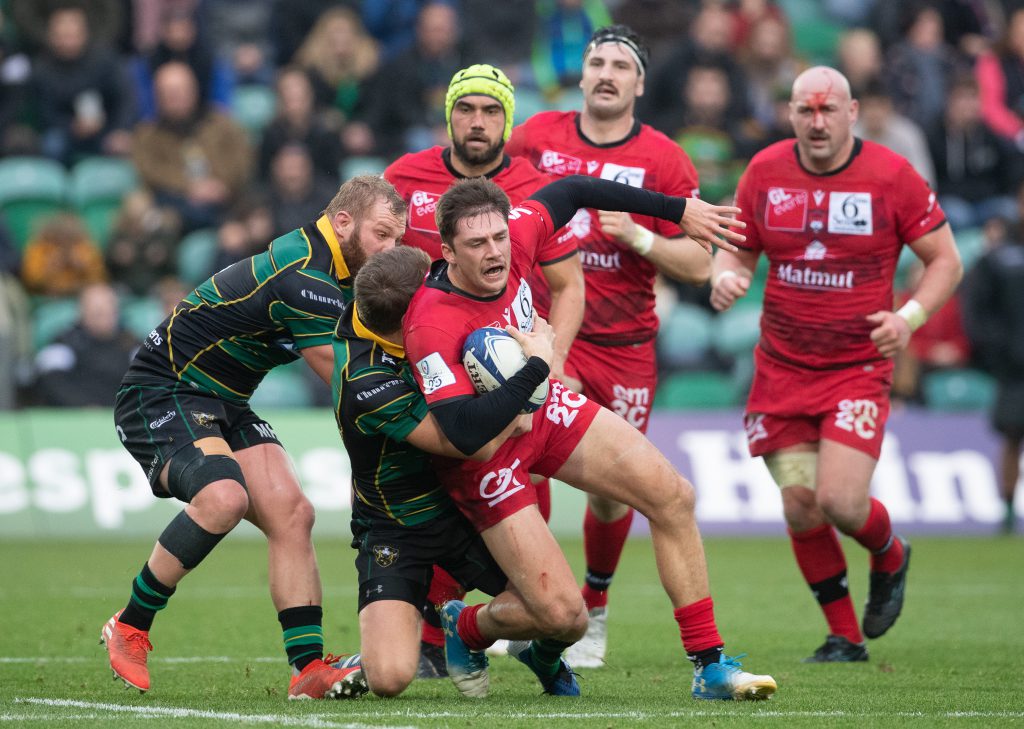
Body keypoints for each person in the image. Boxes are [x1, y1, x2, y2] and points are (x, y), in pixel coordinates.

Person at [397, 174, 776, 700]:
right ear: (447, 250)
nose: (495, 253)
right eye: (476, 244)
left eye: (500, 238)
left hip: (545, 410)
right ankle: (469, 627)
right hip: (487, 456)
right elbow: (462, 434)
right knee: (566, 618)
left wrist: (676, 210)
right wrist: (538, 366)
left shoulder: (520, 234)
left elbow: (573, 190)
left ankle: (709, 664)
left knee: (672, 496)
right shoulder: (431, 323)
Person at [102, 175, 407, 699]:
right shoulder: (304, 277)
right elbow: (347, 383)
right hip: (163, 389)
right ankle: (130, 625)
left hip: (223, 399)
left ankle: (308, 669)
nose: (390, 250)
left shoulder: (331, 268)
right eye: (383, 235)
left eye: (398, 240)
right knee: (224, 497)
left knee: (293, 511)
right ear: (343, 222)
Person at [710, 66, 963, 662]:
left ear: (853, 112)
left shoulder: (892, 176)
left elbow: (946, 260)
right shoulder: (765, 172)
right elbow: (740, 248)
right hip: (781, 366)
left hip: (855, 368)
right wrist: (728, 274)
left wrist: (909, 319)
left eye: (829, 110)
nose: (817, 122)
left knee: (841, 503)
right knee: (800, 506)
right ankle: (844, 637)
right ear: (790, 114)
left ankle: (891, 552)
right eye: (805, 111)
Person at [505, 24, 713, 668]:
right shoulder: (537, 137)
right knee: (517, 460)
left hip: (623, 344)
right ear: (582, 73)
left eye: (620, 65)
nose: (605, 72)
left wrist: (643, 240)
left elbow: (701, 263)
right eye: (596, 61)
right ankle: (531, 597)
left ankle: (592, 607)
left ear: (639, 84)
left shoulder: (666, 159)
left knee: (613, 489)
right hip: (537, 330)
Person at [384, 62, 585, 671]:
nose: (478, 122)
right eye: (466, 109)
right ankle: (433, 634)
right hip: (423, 367)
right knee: (439, 506)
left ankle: (527, 626)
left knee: (525, 497)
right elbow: (370, 266)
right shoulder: (403, 176)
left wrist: (552, 363)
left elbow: (569, 286)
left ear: (508, 120)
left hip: (511, 368)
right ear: (449, 116)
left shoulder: (531, 184)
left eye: (491, 111)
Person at [330, 245, 579, 697]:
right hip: (395, 527)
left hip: (457, 511)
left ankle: (499, 639)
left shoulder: (376, 311)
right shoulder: (368, 383)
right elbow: (471, 445)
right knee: (389, 679)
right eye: (431, 290)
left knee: (560, 613)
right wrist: (534, 377)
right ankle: (350, 662)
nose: (443, 294)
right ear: (411, 315)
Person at [131, 61, 252, 233]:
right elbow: (150, 171)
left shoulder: (222, 124)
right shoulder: (147, 135)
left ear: (193, 90)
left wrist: (221, 185)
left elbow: (242, 161)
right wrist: (190, 187)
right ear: (157, 97)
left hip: (227, 202)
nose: (174, 98)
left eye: (179, 91)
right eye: (167, 93)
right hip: (178, 205)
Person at [962, 206, 1024, 534]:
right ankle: (1007, 510)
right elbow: (977, 308)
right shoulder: (998, 258)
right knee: (1012, 437)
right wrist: (999, 350)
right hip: (1015, 366)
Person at [34, 282, 137, 407]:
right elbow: (51, 380)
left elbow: (150, 380)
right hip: (76, 416)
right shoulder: (64, 343)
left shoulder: (130, 342)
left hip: (121, 414)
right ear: (82, 312)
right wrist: (84, 406)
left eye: (111, 312)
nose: (106, 318)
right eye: (99, 313)